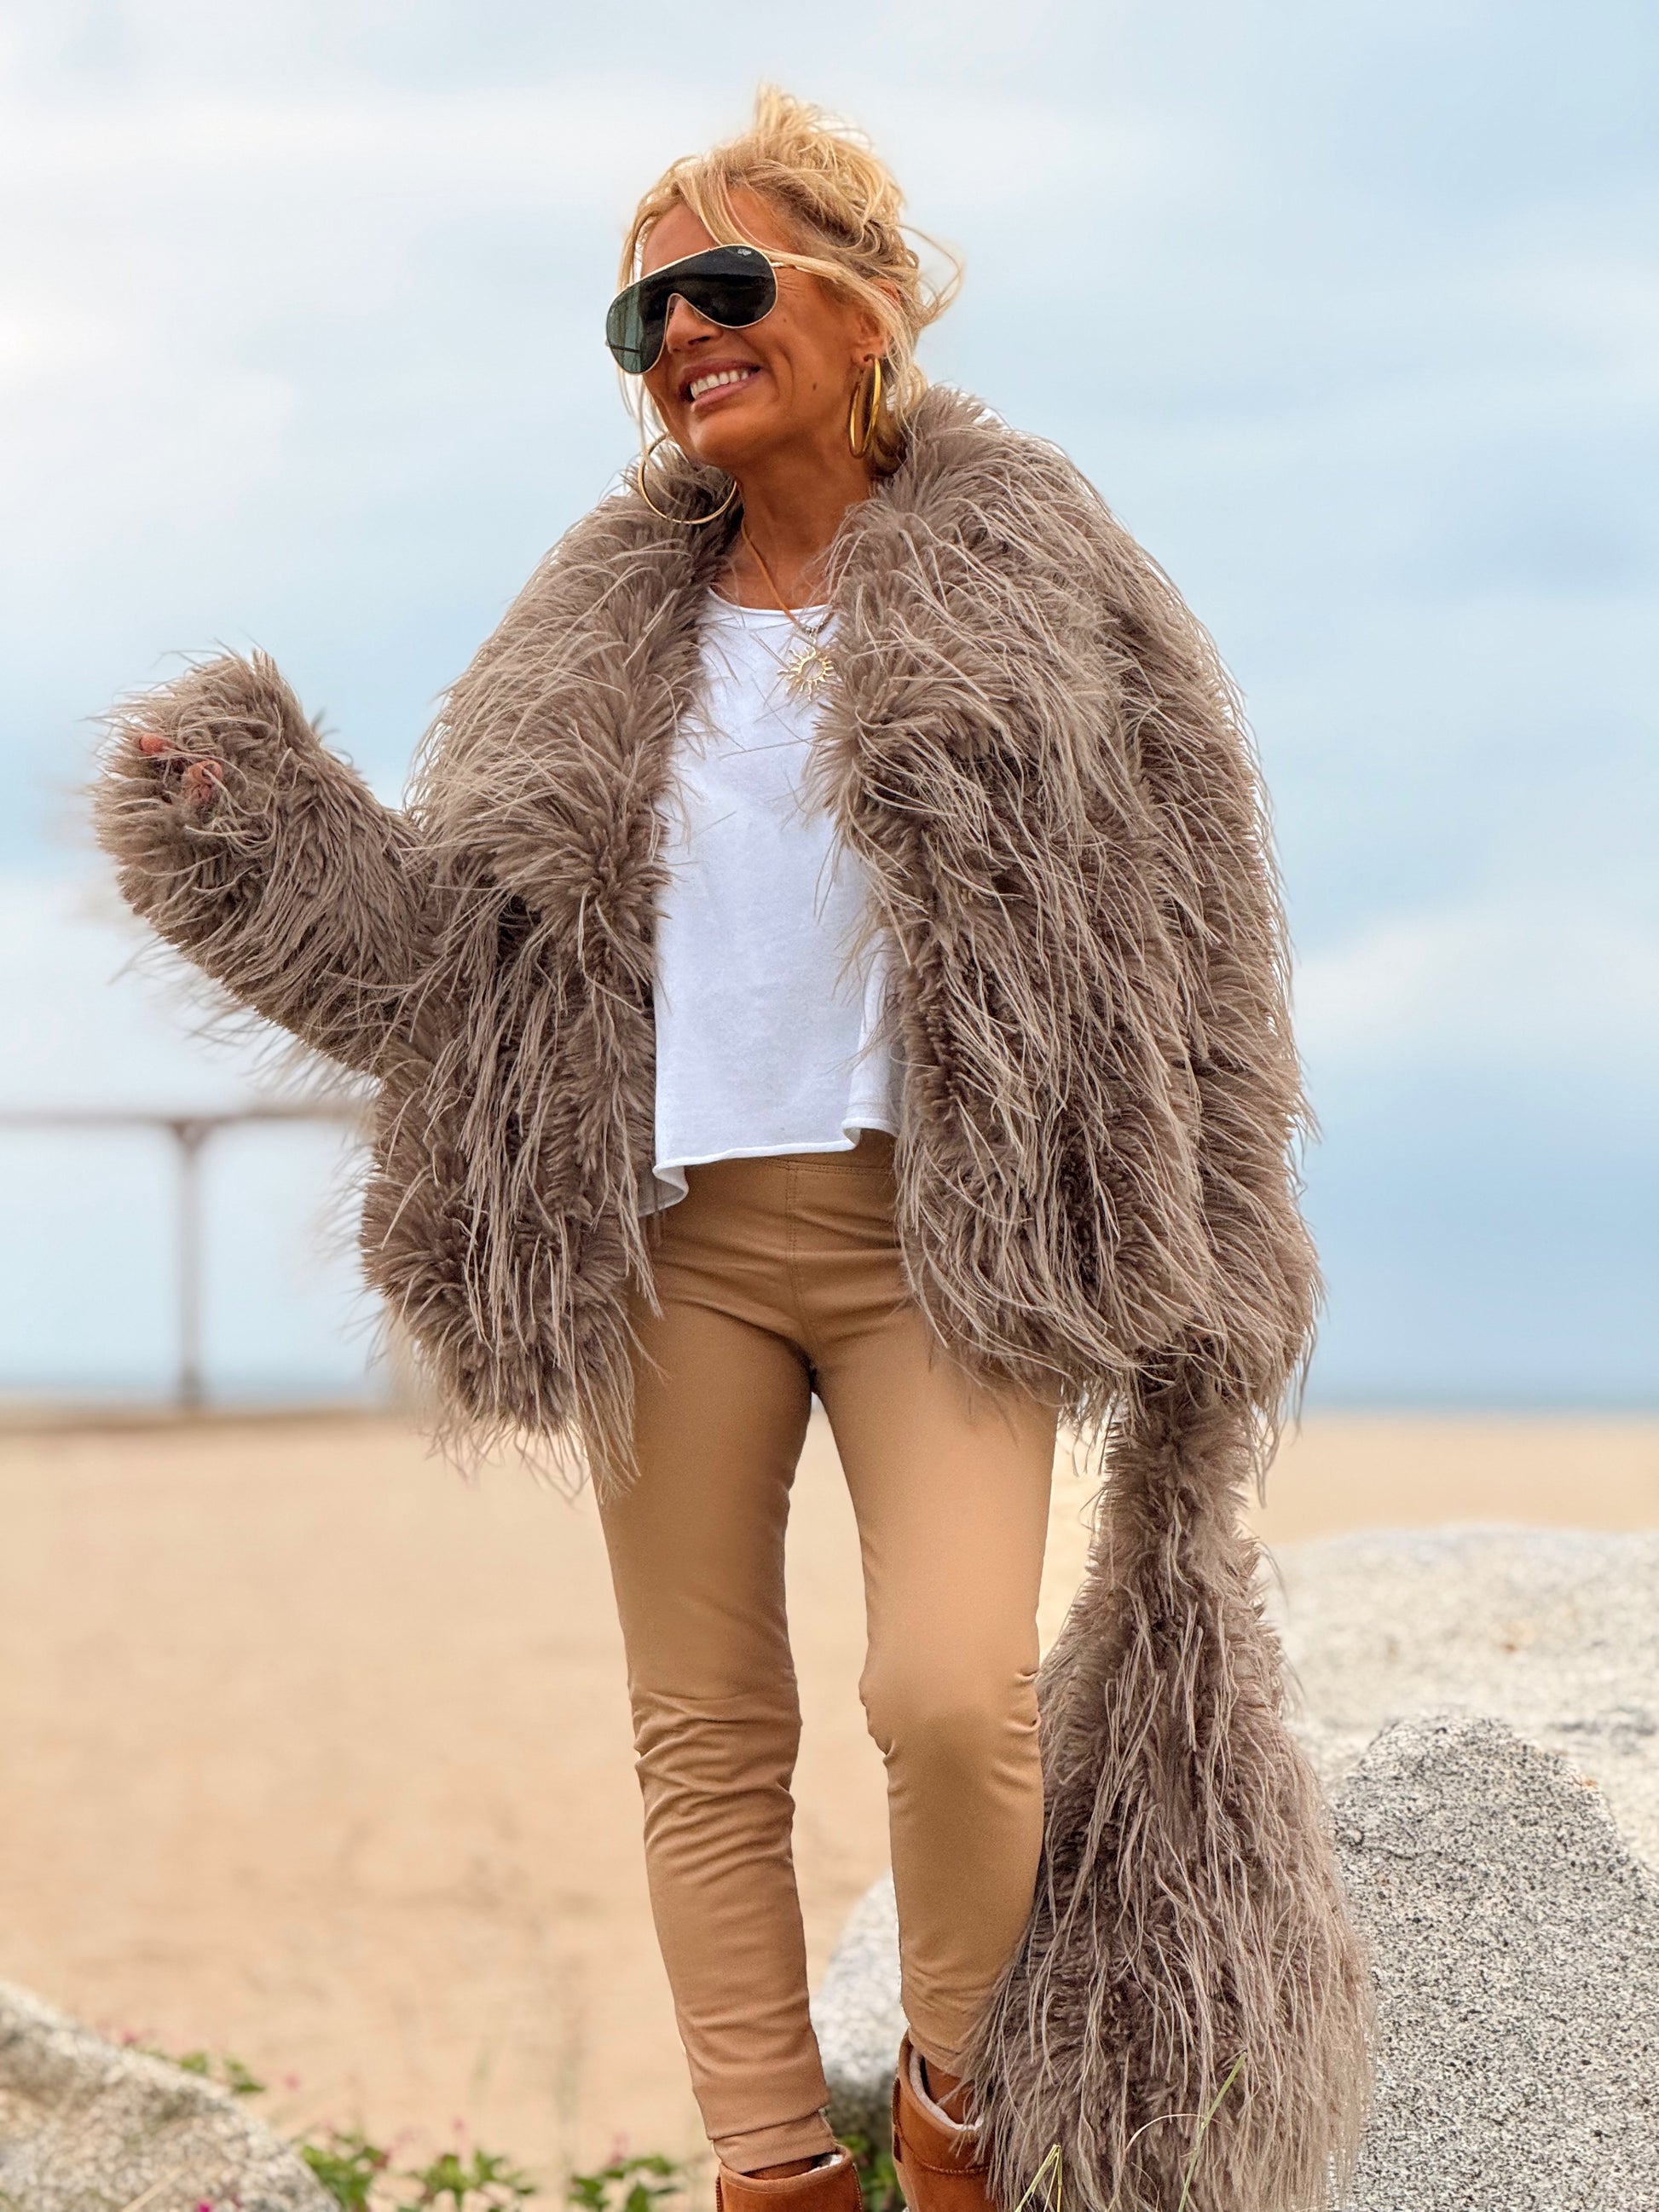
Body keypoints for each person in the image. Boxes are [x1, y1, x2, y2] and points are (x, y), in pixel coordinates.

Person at [97, 88, 1370, 2212]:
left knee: (951, 1692)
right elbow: (460, 971)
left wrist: (1216, 1247)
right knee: (703, 1727)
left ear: (867, 304)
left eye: (718, 282)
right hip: (663, 1239)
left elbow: (1197, 930)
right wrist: (244, 826)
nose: (679, 334)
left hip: (939, 1241)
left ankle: (952, 2114)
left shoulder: (1047, 569)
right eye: (640, 317)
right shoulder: (593, 618)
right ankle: (771, 2166)